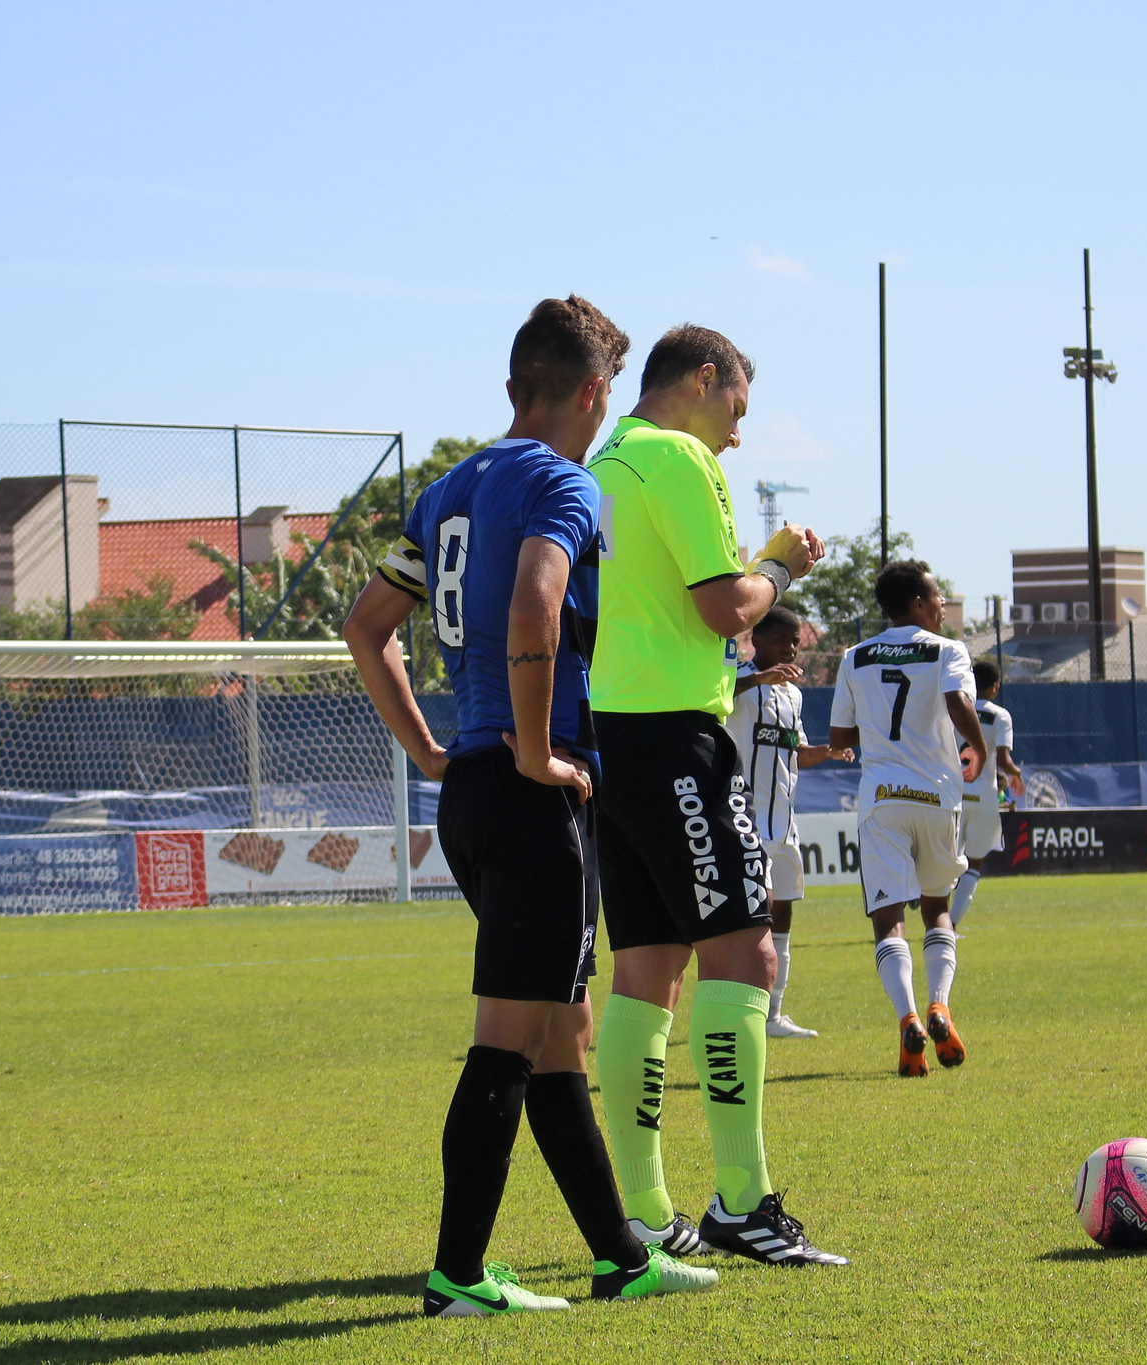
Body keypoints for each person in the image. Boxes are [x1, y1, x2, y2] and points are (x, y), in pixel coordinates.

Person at [343, 296, 715, 1315]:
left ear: (516, 387)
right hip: (526, 796)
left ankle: (620, 1261)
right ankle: (457, 1276)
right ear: (595, 392)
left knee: (561, 1035)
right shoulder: (565, 484)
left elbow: (366, 624)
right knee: (507, 1036)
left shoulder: (446, 491)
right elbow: (536, 601)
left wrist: (428, 745)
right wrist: (542, 749)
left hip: (470, 792)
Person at [586, 324, 848, 1266]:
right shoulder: (678, 455)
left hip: (610, 733)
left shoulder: (605, 454)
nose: (737, 434)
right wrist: (781, 563)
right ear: (705, 381)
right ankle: (742, 1200)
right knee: (747, 953)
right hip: (675, 737)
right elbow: (723, 608)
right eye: (737, 408)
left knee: (646, 969)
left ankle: (649, 1210)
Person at [828, 560, 988, 1077]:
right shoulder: (948, 651)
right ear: (919, 603)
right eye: (938, 595)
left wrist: (875, 735)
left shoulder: (854, 657)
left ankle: (908, 1018)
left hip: (882, 799)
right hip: (938, 796)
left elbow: (838, 739)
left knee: (886, 918)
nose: (943, 604)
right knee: (937, 907)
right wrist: (977, 749)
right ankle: (940, 1004)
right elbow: (959, 702)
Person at [726, 604, 853, 1038]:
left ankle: (774, 1015)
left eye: (796, 641)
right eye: (783, 640)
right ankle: (741, 1012)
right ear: (755, 641)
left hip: (785, 825)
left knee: (782, 916)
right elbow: (717, 697)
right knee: (749, 920)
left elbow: (797, 750)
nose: (792, 648)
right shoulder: (738, 679)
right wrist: (760, 678)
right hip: (744, 822)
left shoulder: (793, 695)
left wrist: (831, 752)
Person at [951, 659, 1022, 930]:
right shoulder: (1000, 716)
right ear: (994, 688)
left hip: (953, 795)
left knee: (944, 863)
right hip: (982, 798)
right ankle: (950, 927)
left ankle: (921, 894)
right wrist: (1016, 773)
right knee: (974, 863)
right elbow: (1003, 760)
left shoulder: (955, 709)